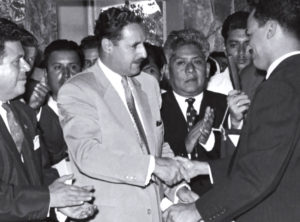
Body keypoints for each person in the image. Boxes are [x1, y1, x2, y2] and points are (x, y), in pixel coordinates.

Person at [163, 0, 300, 221]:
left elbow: (258, 173)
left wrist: (196, 210)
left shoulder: (280, 85)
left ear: (271, 29)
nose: (248, 47)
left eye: (251, 34)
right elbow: (272, 156)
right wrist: (204, 167)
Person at [57, 7, 195, 222]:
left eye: (143, 44)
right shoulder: (78, 90)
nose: (143, 53)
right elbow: (87, 154)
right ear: (107, 46)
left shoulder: (148, 85)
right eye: (134, 46)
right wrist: (153, 166)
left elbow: (156, 147)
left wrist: (176, 188)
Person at [0, 19, 96, 221]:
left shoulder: (22, 112)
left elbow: (39, 171)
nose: (27, 67)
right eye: (18, 61)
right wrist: (49, 199)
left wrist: (64, 202)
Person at [161, 29, 227, 195]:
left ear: (207, 69)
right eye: (181, 63)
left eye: (197, 62)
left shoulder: (226, 105)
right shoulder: (155, 109)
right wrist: (186, 146)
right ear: (167, 71)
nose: (190, 70)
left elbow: (240, 160)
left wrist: (210, 141)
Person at [207, 11, 252, 95]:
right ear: (225, 48)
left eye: (247, 44)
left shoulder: (270, 83)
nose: (241, 52)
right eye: (234, 45)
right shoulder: (211, 88)